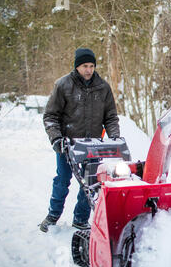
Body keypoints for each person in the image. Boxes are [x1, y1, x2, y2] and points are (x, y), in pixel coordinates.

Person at [40, 48, 120, 232]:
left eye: (91, 66)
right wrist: (57, 139)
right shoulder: (63, 85)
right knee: (62, 180)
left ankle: (80, 219)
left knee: (91, 182)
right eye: (85, 66)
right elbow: (51, 116)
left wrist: (114, 136)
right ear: (77, 66)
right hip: (68, 145)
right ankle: (53, 215)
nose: (89, 70)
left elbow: (110, 116)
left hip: (93, 146)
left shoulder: (103, 87)